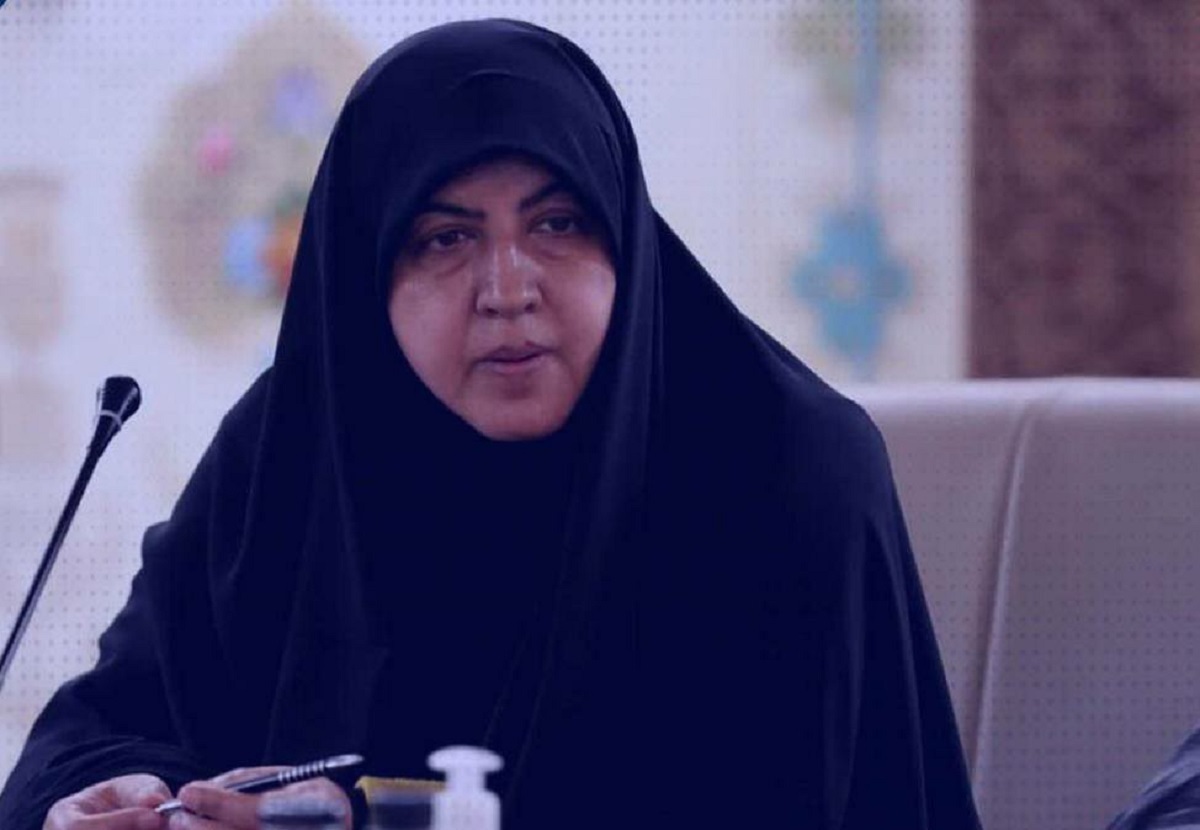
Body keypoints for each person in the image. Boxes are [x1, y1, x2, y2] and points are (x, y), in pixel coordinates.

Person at [0, 19, 981, 830]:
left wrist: (371, 817)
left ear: (624, 238)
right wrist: (103, 796)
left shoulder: (781, 470)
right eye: (444, 238)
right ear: (366, 275)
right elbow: (98, 728)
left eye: (557, 224)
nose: (507, 289)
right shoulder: (292, 454)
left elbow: (741, 799)